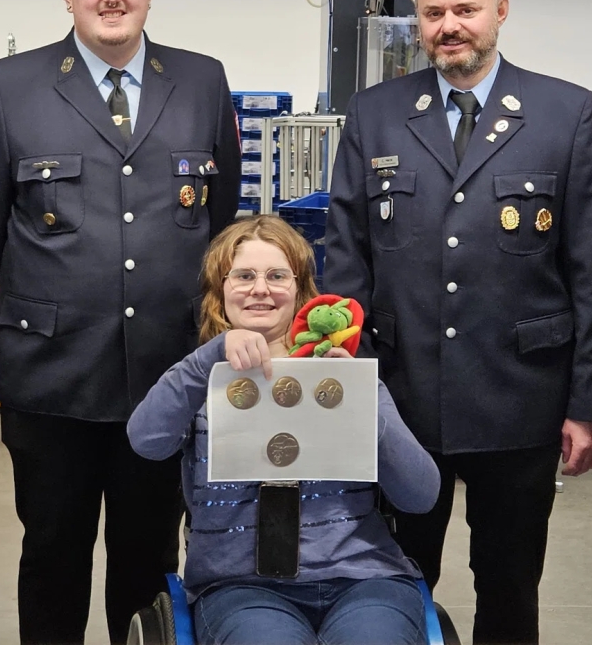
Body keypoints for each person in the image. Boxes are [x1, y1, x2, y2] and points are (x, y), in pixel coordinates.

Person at [0, 0, 241, 645]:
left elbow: (221, 214)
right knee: (52, 554)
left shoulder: (202, 81)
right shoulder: (9, 86)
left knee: (148, 562)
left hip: (167, 374)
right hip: (52, 376)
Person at [324, 0, 592, 644]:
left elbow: (589, 270)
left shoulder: (564, 112)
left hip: (520, 399)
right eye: (433, 12)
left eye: (465, 9)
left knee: (510, 584)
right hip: (402, 403)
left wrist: (588, 405)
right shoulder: (376, 114)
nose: (449, 24)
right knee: (391, 584)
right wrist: (350, 389)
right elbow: (347, 262)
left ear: (501, 11)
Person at [128, 215, 440, 645]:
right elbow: (145, 441)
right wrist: (210, 357)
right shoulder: (202, 378)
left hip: (363, 578)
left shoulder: (344, 376)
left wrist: (360, 403)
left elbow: (421, 495)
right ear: (221, 290)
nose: (260, 288)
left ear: (300, 290)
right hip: (241, 586)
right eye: (243, 276)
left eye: (277, 275)